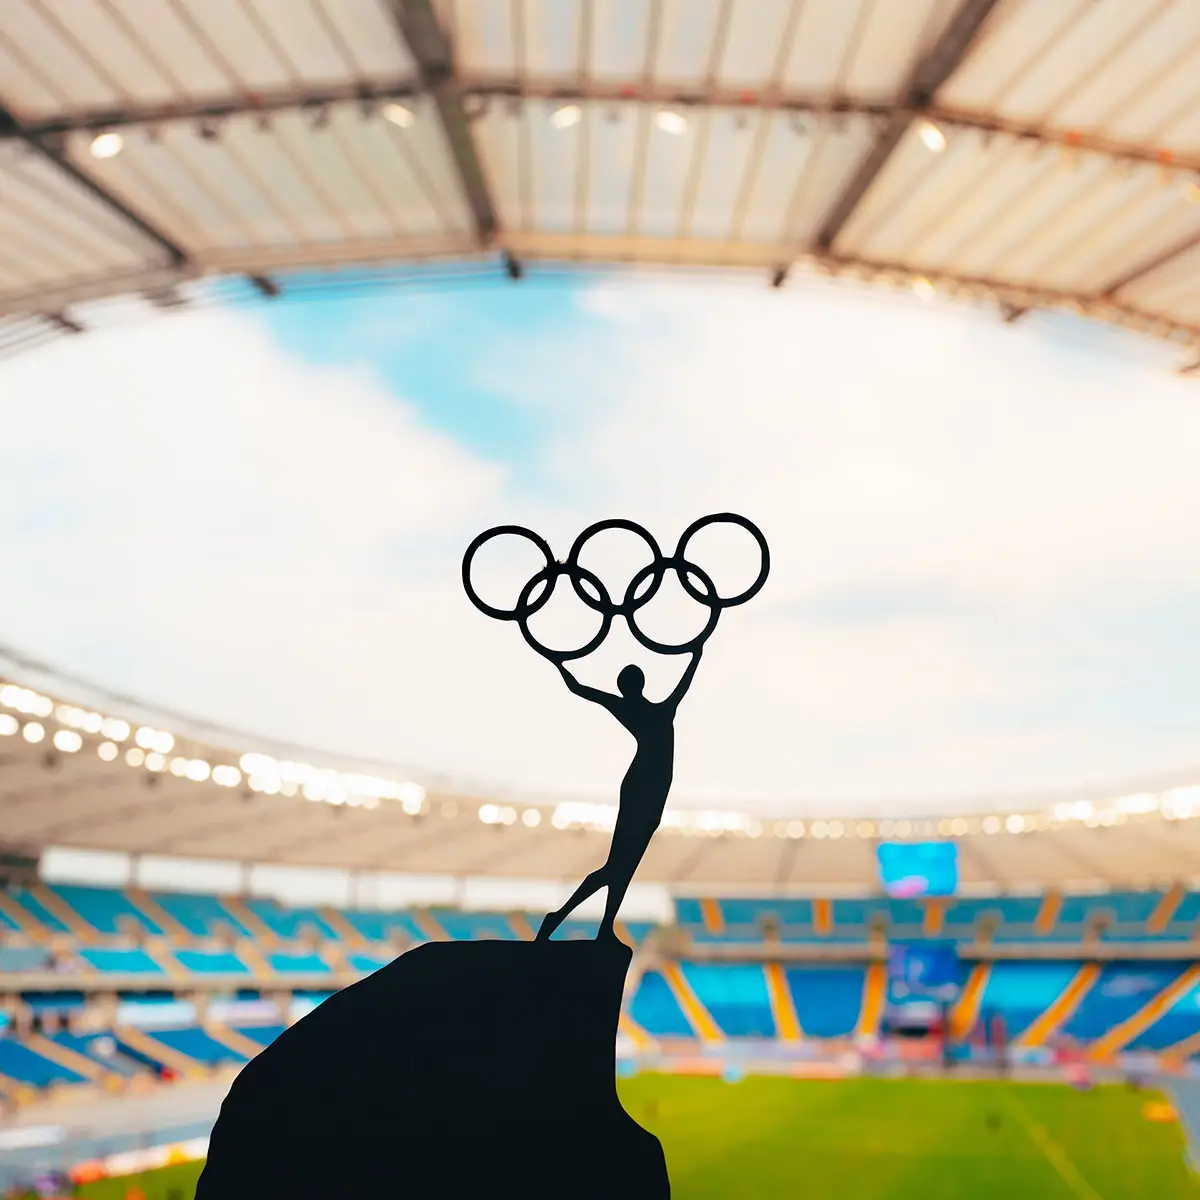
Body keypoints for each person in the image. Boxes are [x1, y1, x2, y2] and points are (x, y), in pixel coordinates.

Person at [537, 648, 702, 941]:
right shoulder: (660, 710)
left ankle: (602, 927)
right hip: (644, 792)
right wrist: (695, 654)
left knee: (623, 867)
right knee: (617, 866)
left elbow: (579, 688)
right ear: (640, 684)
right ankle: (563, 918)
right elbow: (685, 683)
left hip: (648, 792)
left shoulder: (632, 707)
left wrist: (558, 662)